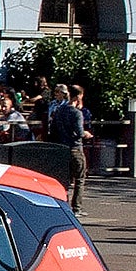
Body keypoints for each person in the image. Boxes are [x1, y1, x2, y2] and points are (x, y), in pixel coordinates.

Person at [48, 83, 92, 217]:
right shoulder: (77, 113)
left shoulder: (59, 111)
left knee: (63, 180)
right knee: (79, 179)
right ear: (78, 96)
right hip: (75, 148)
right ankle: (76, 207)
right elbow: (79, 132)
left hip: (62, 148)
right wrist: (86, 133)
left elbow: (53, 130)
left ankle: (63, 204)